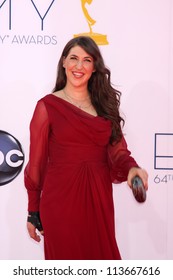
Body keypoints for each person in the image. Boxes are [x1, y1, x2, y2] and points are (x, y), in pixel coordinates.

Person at [24, 36, 148, 260]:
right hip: (60, 203)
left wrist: (132, 169)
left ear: (94, 67)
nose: (79, 66)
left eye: (86, 60)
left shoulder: (105, 106)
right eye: (73, 58)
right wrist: (33, 211)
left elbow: (118, 152)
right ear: (63, 62)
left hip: (98, 200)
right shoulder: (47, 106)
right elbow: (37, 163)